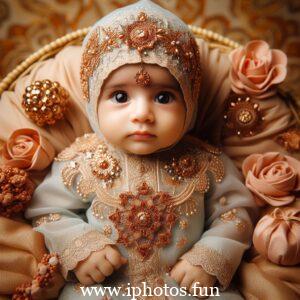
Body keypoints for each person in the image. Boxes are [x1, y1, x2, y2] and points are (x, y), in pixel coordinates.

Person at [25, 1, 256, 299]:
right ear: (93, 101)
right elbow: (47, 212)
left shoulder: (206, 162)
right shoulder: (79, 161)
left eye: (163, 97)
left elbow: (236, 213)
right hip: (103, 289)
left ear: (190, 100)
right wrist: (80, 248)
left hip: (186, 289)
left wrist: (210, 257)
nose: (142, 114)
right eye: (120, 96)